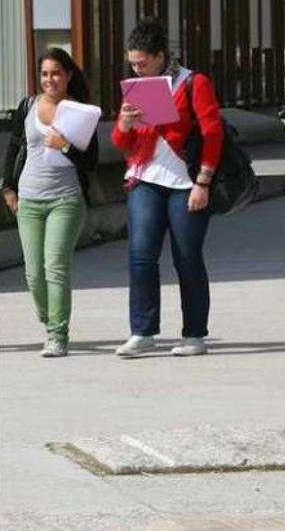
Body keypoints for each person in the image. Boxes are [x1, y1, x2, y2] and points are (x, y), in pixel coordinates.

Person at [111, 19, 223, 359]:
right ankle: (142, 330)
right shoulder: (136, 87)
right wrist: (124, 123)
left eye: (143, 62)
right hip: (145, 178)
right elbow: (120, 143)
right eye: (133, 62)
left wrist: (203, 182)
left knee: (186, 257)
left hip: (185, 182)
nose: (138, 68)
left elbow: (213, 133)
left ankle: (194, 334)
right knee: (140, 255)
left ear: (161, 56)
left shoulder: (193, 82)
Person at [0, 48, 100, 358]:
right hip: (28, 200)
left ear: (68, 75)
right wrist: (8, 188)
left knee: (55, 267)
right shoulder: (27, 106)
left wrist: (65, 145)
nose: (49, 79)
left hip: (65, 200)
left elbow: (91, 160)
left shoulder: (80, 112)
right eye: (44, 74)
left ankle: (57, 333)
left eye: (56, 73)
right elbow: (14, 148)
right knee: (33, 273)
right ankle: (49, 317)